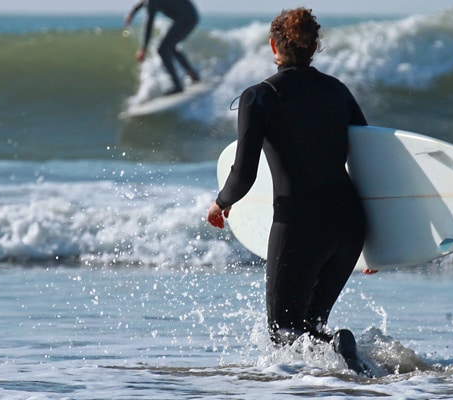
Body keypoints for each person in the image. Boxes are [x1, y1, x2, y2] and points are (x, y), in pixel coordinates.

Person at [206, 8, 369, 371]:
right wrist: (377, 246)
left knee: (283, 330)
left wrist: (221, 203)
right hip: (349, 225)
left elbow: (243, 172)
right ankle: (342, 369)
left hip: (299, 223)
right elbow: (372, 160)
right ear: (314, 48)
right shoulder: (337, 91)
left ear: (272, 46)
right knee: (310, 326)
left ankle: (324, 367)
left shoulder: (259, 97)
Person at [125, 0, 201, 95]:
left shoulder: (152, 2)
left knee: (162, 49)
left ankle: (178, 85)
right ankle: (193, 74)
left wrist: (143, 49)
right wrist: (132, 13)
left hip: (187, 18)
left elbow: (149, 24)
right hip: (188, 16)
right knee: (169, 47)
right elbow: (143, 2)